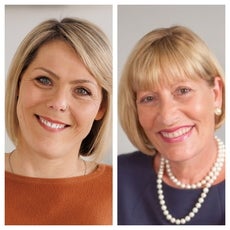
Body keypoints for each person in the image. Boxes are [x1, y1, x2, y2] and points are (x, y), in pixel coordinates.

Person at [5, 17, 112, 225]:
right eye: (44, 80)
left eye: (82, 90)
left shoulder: (123, 190)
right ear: (18, 85)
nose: (58, 103)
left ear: (101, 108)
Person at [118, 25, 225, 225]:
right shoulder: (118, 178)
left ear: (216, 94)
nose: (167, 116)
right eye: (148, 98)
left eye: (183, 91)